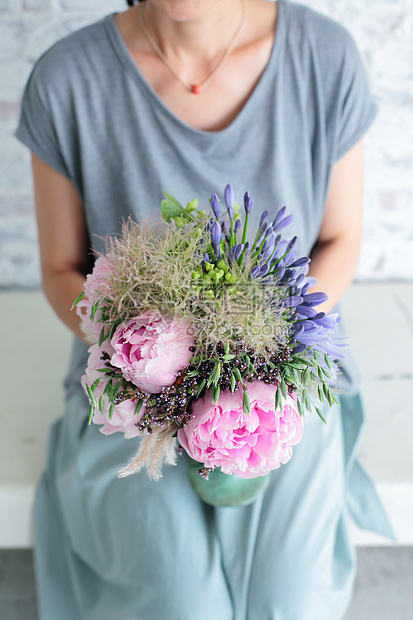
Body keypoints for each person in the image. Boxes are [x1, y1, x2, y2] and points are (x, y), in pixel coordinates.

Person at [15, 0, 393, 618]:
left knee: (286, 600)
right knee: (178, 600)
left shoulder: (323, 56)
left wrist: (261, 354)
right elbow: (61, 268)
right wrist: (143, 354)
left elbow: (340, 240)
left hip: (285, 372)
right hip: (134, 386)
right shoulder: (68, 78)